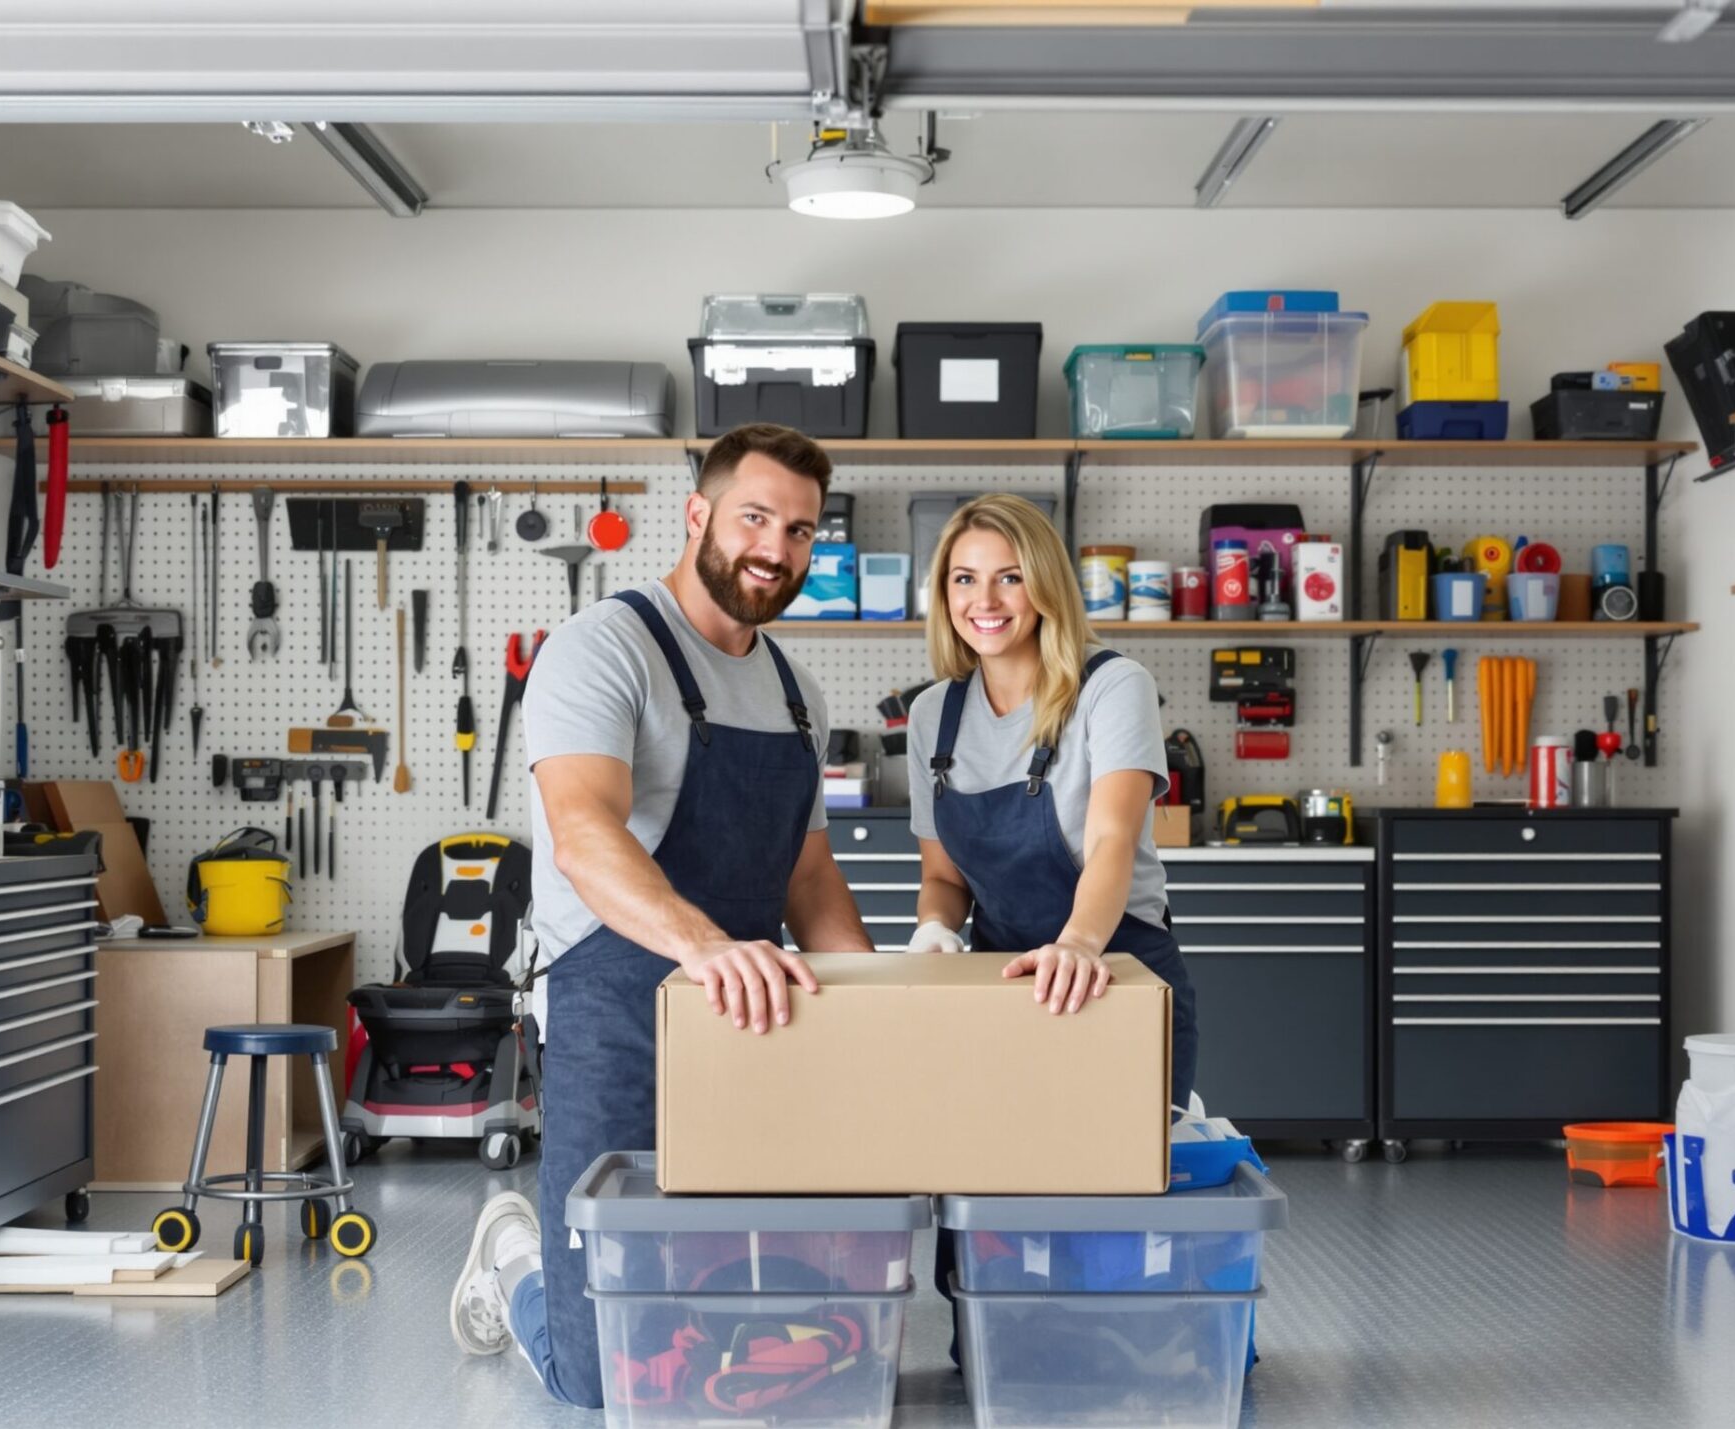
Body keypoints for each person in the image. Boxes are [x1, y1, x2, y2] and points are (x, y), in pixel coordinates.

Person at [447, 423, 875, 1407]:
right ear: (698, 515)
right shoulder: (606, 647)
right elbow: (584, 834)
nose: (777, 548)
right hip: (621, 1011)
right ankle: (512, 1260)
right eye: (756, 517)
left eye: (802, 531)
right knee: (600, 1374)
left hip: (749, 1012)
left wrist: (874, 1006)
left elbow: (809, 874)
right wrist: (707, 946)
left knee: (721, 1335)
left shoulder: (797, 692)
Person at [904, 494, 1197, 1107]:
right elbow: (943, 876)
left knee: (1123, 1185)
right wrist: (934, 926)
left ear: (1044, 585)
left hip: (1116, 971)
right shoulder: (934, 714)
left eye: (1009, 577)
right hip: (1002, 985)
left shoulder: (1112, 686)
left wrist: (1079, 944)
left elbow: (1112, 839)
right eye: (965, 579)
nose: (984, 601)